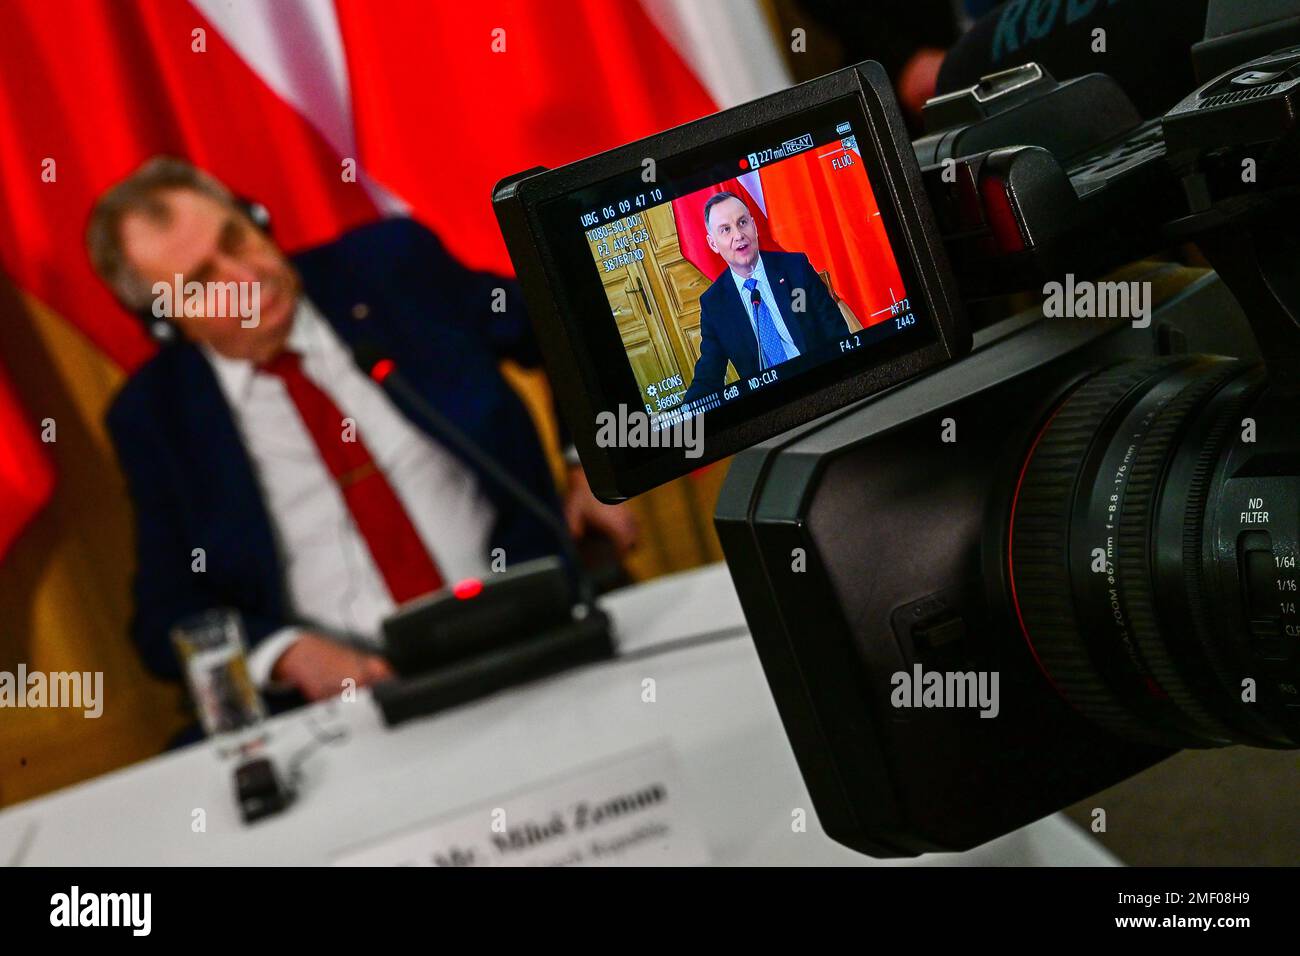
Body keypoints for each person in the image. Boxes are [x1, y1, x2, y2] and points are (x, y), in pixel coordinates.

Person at [87, 157, 636, 707]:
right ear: (165, 323)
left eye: (237, 237)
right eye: (203, 281)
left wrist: (588, 462)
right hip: (355, 701)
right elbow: (166, 610)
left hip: (529, 620)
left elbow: (561, 321)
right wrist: (284, 653)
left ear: (257, 217)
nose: (245, 277)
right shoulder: (156, 418)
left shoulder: (389, 269)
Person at [682, 191, 848, 405]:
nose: (738, 235)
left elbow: (835, 333)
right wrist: (680, 420)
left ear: (754, 225)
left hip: (821, 385)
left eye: (742, 223)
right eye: (726, 230)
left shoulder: (795, 269)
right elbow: (708, 376)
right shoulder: (715, 304)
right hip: (769, 405)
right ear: (713, 244)